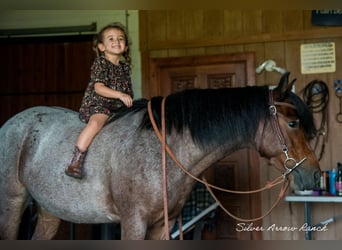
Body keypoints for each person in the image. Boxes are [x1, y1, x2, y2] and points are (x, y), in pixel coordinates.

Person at [65, 22, 134, 179]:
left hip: (118, 107)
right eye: (111, 39)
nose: (117, 41)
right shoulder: (101, 63)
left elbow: (127, 91)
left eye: (120, 38)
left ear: (126, 46)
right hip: (98, 104)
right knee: (96, 123)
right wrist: (120, 95)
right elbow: (99, 88)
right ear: (102, 46)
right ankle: (75, 161)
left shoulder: (124, 67)